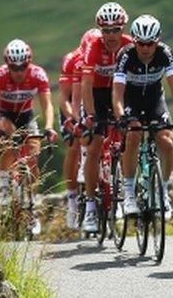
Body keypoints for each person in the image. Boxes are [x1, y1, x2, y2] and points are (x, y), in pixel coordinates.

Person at [112, 14, 173, 221]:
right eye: (140, 43)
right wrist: (121, 117)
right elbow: (117, 94)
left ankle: (162, 190)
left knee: (167, 143)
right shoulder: (126, 55)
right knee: (133, 136)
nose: (145, 48)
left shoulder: (165, 53)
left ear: (157, 41)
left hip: (154, 101)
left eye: (150, 43)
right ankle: (129, 194)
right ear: (134, 41)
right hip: (130, 101)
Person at [0, 39, 58, 220]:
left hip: (27, 115)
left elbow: (47, 106)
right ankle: (4, 186)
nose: (19, 72)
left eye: (23, 67)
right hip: (6, 115)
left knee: (33, 156)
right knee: (9, 139)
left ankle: (32, 200)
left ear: (29, 63)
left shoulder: (38, 75)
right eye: (14, 67)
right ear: (7, 65)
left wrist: (49, 127)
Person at [80, 2, 133, 232]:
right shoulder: (93, 46)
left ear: (123, 29)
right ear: (100, 30)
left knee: (131, 136)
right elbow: (86, 84)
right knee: (96, 145)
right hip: (98, 95)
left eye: (116, 30)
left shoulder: (130, 45)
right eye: (106, 30)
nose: (111, 35)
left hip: (121, 93)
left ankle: (125, 188)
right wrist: (91, 115)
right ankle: (91, 206)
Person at [58, 28, 101, 230]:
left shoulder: (105, 53)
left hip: (94, 98)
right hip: (71, 104)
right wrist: (75, 120)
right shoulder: (72, 60)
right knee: (74, 145)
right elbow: (66, 98)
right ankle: (72, 198)